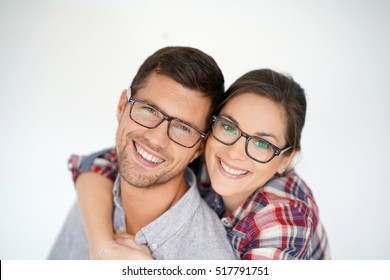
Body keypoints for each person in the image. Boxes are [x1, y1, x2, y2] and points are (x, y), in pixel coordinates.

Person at [67, 69, 330, 260]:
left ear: (286, 158)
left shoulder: (283, 219)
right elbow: (103, 163)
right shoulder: (201, 152)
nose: (235, 152)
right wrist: (103, 248)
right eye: (229, 127)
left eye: (263, 144)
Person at [48, 46, 238, 260]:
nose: (157, 139)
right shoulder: (96, 200)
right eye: (149, 110)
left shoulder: (209, 258)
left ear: (199, 148)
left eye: (183, 128)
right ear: (122, 107)